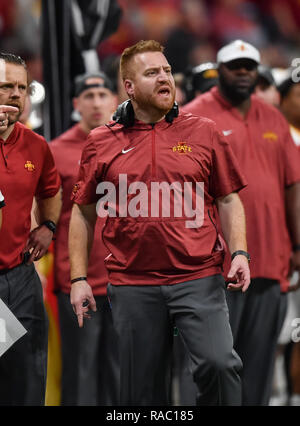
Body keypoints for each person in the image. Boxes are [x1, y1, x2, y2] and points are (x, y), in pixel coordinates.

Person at [68, 39, 251, 406]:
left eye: (166, 70)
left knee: (219, 365)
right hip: (132, 282)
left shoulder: (204, 132)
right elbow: (83, 211)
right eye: (152, 73)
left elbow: (229, 198)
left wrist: (241, 253)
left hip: (197, 277)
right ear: (129, 86)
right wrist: (79, 278)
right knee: (141, 392)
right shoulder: (101, 141)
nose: (164, 77)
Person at [184, 39, 300, 406]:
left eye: (250, 66)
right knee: (213, 366)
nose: (244, 73)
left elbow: (293, 186)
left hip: (271, 260)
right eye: (236, 67)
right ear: (220, 71)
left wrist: (298, 245)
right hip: (216, 266)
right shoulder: (193, 116)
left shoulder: (273, 119)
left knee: (261, 365)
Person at [49, 71, 119, 405]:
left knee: (121, 377)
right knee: (82, 374)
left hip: (125, 281)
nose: (96, 102)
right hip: (79, 282)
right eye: (88, 96)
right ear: (76, 104)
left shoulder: (128, 146)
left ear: (115, 100)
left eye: (103, 94)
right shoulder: (56, 151)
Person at [0, 52, 61, 406]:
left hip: (19, 276)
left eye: (21, 88)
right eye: (5, 86)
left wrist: (49, 225)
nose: (15, 95)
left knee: (26, 375)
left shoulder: (35, 145)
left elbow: (51, 191)